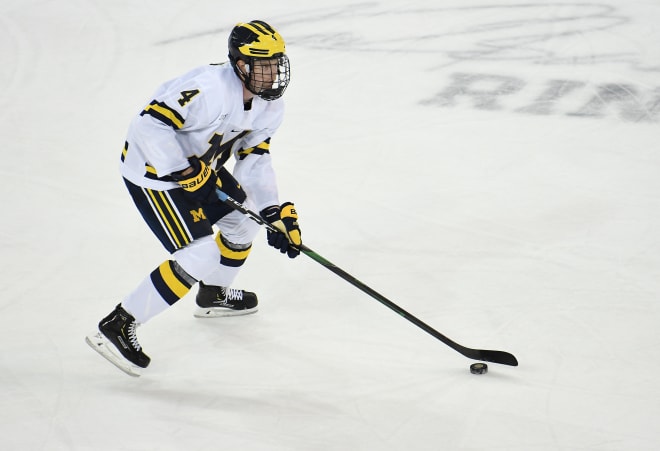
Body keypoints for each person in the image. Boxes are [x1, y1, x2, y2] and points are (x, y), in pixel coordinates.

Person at [86, 20, 302, 376]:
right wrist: (184, 172)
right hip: (155, 174)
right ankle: (118, 324)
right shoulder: (207, 89)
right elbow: (148, 125)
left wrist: (274, 212)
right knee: (200, 253)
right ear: (240, 64)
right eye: (262, 65)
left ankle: (212, 295)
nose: (272, 73)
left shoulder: (269, 106)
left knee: (245, 222)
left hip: (202, 169)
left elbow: (255, 158)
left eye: (276, 64)